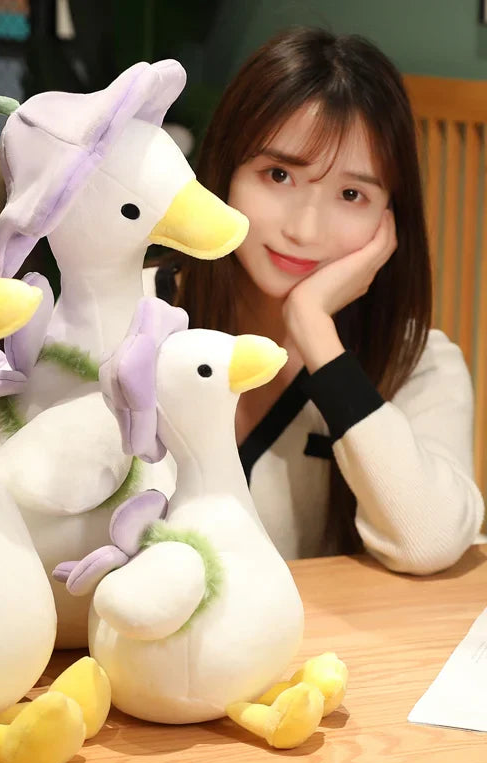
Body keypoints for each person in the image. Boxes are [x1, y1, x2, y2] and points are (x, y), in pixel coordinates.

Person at [151, 26, 484, 572]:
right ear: (226, 172)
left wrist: (315, 332)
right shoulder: (137, 315)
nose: (304, 230)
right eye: (278, 174)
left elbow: (430, 542)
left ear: (390, 216)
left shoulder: (416, 363)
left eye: (352, 194)